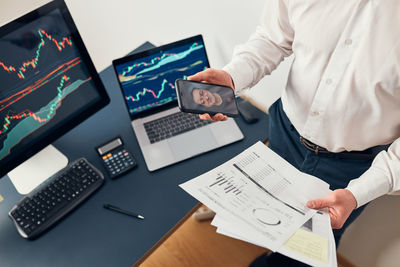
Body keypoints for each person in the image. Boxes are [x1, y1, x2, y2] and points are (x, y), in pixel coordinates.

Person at [188, 0, 400, 266]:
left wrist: (358, 193)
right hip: (284, 131)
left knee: (306, 252)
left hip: (353, 169)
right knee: (269, 218)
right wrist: (233, 77)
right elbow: (273, 38)